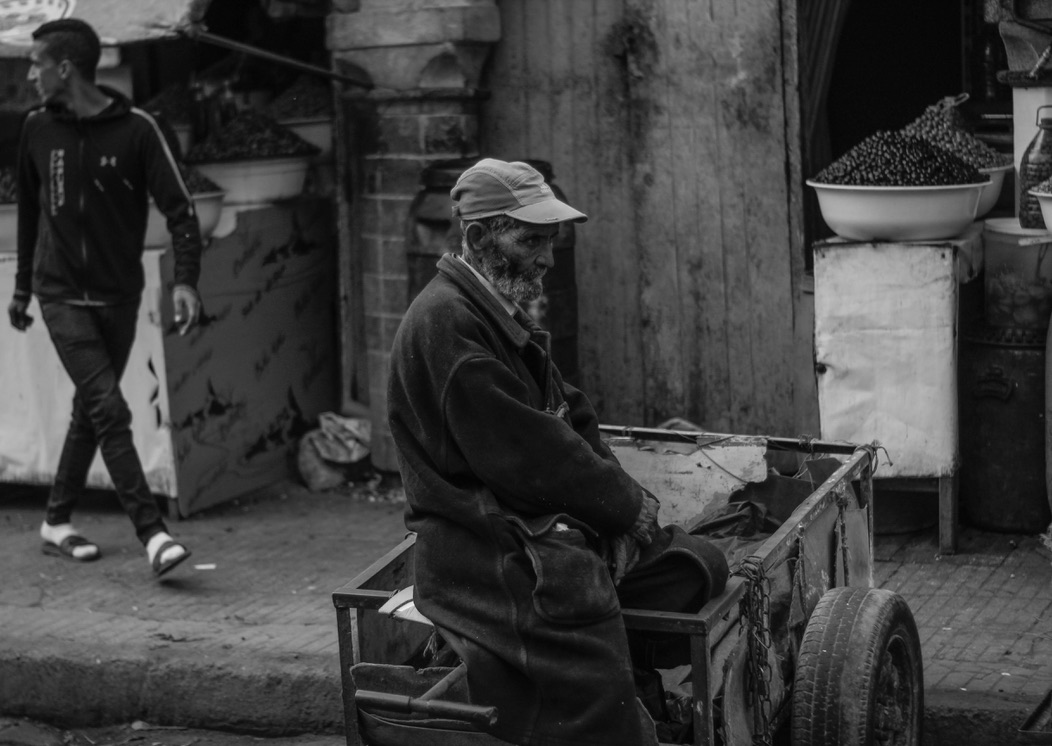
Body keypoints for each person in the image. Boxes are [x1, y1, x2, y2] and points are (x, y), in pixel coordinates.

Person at [387, 158, 730, 746]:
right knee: (579, 605)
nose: (546, 257)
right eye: (531, 241)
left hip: (537, 522)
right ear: (476, 237)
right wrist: (622, 511)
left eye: (551, 241)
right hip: (485, 548)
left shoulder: (492, 313)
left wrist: (626, 511)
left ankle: (636, 679)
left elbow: (572, 419)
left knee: (696, 568)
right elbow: (531, 455)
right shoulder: (449, 326)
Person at [6, 19, 203, 578]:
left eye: (36, 63)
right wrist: (23, 287)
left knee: (90, 413)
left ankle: (55, 520)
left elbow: (181, 209)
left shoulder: (139, 129)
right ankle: (153, 532)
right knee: (109, 407)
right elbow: (29, 211)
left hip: (118, 296)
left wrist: (186, 279)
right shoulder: (36, 129)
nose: (30, 73)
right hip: (60, 293)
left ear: (64, 68)